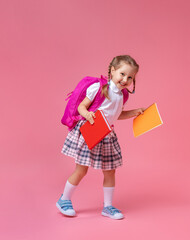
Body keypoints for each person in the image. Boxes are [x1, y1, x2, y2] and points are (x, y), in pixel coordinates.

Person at [56, 55, 146, 220]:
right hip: (90, 131)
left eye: (130, 77)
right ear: (112, 70)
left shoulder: (123, 95)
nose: (125, 79)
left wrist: (134, 112)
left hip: (106, 135)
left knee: (110, 172)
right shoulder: (98, 88)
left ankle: (108, 207)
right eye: (122, 74)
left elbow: (116, 115)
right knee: (81, 170)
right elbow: (82, 107)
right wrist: (88, 115)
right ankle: (64, 199)